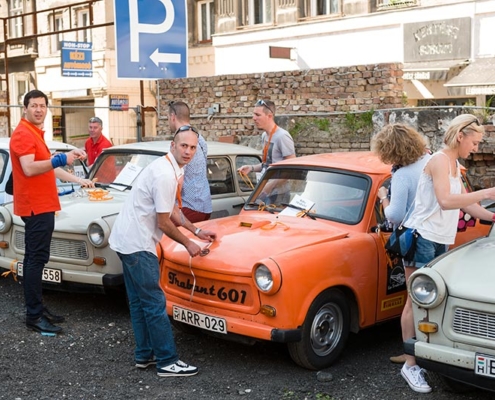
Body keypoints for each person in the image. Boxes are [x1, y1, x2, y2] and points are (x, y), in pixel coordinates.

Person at [109, 127, 216, 378]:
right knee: (155, 302)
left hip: (126, 240)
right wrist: (189, 244)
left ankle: (144, 355)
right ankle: (168, 361)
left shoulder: (170, 168)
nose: (188, 151)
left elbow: (173, 210)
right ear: (173, 145)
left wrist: (196, 231)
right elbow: (164, 222)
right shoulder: (165, 174)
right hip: (137, 244)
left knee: (139, 302)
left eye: (193, 147)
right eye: (184, 146)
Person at [400, 114, 495, 393]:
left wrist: (493, 217)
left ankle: (423, 356)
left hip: (439, 239)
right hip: (422, 237)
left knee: (432, 301)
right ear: (460, 137)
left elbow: (466, 208)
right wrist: (487, 191)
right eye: (474, 142)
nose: (476, 148)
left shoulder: (454, 164)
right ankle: (410, 365)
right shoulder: (440, 161)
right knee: (413, 303)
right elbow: (446, 200)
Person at [10, 89, 94, 335]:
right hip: (36, 206)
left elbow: (48, 168)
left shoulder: (35, 133)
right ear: (24, 108)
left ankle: (37, 309)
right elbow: (29, 168)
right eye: (34, 105)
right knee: (35, 261)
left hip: (43, 205)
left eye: (42, 105)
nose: (39, 109)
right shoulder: (23, 134)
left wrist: (78, 180)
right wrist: (61, 159)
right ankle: (33, 316)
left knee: (38, 259)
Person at [371, 124, 431, 366]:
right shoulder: (428, 160)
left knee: (412, 299)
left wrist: (383, 196)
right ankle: (427, 351)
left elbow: (394, 216)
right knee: (430, 296)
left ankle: (410, 358)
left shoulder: (403, 174)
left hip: (414, 239)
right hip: (435, 234)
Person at [168, 101, 212, 222]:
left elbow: (177, 178)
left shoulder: (181, 141)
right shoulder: (199, 138)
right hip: (205, 206)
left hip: (188, 207)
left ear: (172, 117)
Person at [238, 99, 295, 176]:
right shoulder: (264, 135)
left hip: (277, 188)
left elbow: (291, 168)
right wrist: (251, 168)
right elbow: (267, 165)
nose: (254, 118)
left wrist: (268, 186)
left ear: (269, 116)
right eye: (254, 114)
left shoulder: (282, 136)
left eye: (257, 115)